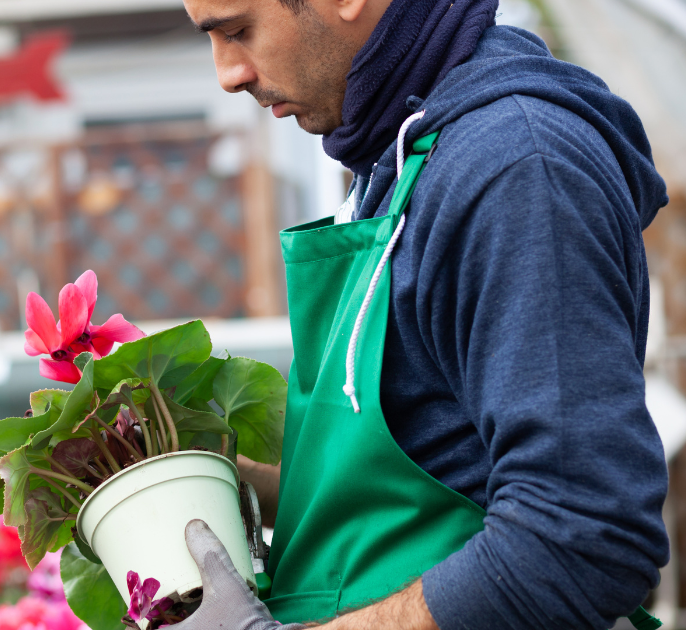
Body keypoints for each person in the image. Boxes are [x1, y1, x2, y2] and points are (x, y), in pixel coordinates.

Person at [168, 0, 671, 628]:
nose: (228, 74)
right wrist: (211, 482)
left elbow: (581, 533)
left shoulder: (514, 169)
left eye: (239, 31)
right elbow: (428, 469)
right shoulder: (401, 156)